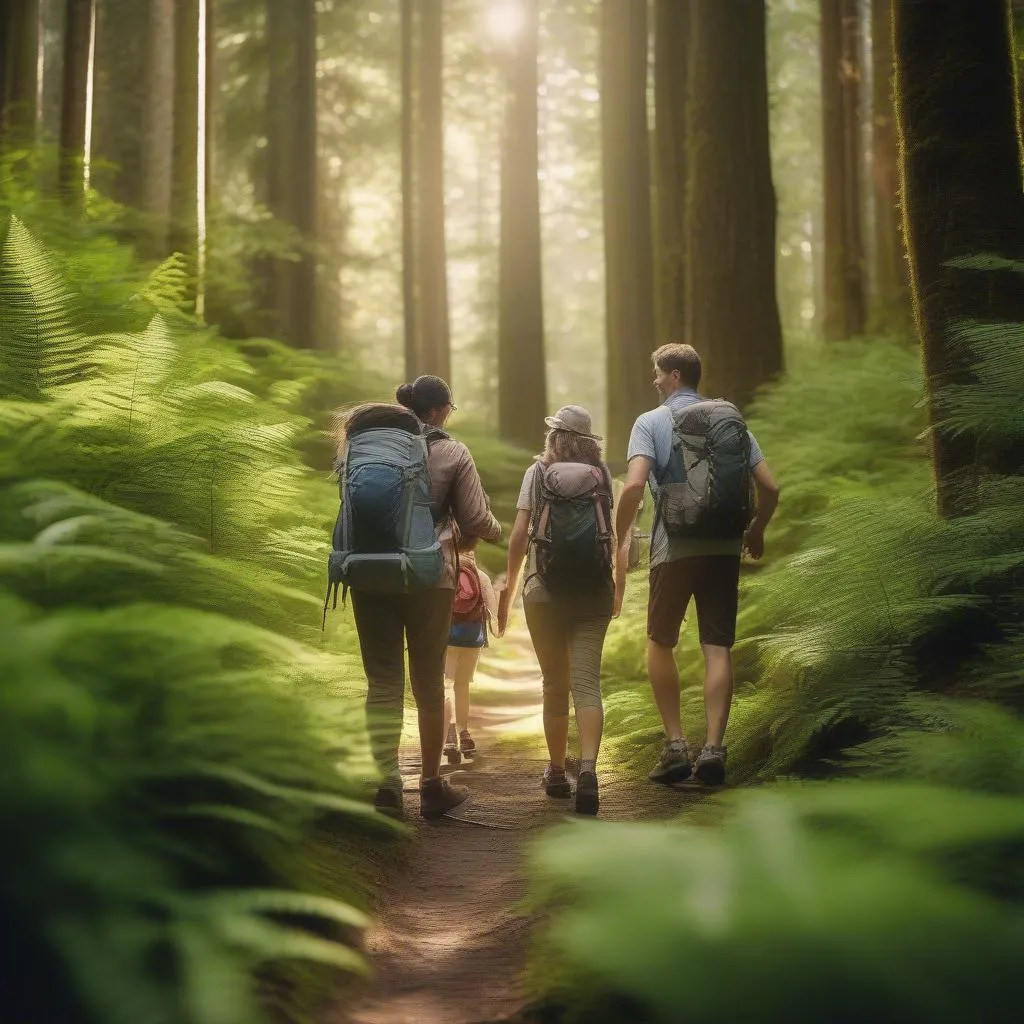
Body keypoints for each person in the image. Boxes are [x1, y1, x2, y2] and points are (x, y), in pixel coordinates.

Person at [614, 344, 780, 787]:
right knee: (717, 646)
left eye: (656, 373)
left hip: (675, 546)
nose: (653, 380)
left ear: (672, 375)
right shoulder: (730, 420)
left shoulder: (649, 423)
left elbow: (632, 488)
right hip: (724, 548)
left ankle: (675, 746)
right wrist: (757, 530)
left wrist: (621, 537)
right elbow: (770, 487)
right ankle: (713, 748)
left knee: (660, 641)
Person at [337, 375, 501, 820]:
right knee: (428, 680)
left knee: (383, 680)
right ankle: (430, 785)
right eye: (450, 407)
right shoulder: (451, 451)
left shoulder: (359, 446)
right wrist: (497, 531)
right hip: (431, 579)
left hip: (368, 572)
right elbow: (474, 517)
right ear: (437, 411)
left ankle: (388, 783)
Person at [498, 405, 615, 816]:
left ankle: (555, 771)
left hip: (543, 592)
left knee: (553, 683)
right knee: (588, 683)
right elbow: (611, 536)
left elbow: (518, 536)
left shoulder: (537, 473)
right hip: (594, 593)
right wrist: (615, 586)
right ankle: (587, 771)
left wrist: (510, 590)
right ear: (588, 441)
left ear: (554, 437)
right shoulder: (602, 477)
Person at [442, 534, 501, 765]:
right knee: (462, 685)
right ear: (472, 551)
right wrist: (498, 629)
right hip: (471, 638)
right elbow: (493, 616)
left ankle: (448, 736)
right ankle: (464, 733)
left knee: (446, 684)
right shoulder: (480, 576)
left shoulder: (444, 571)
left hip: (447, 637)